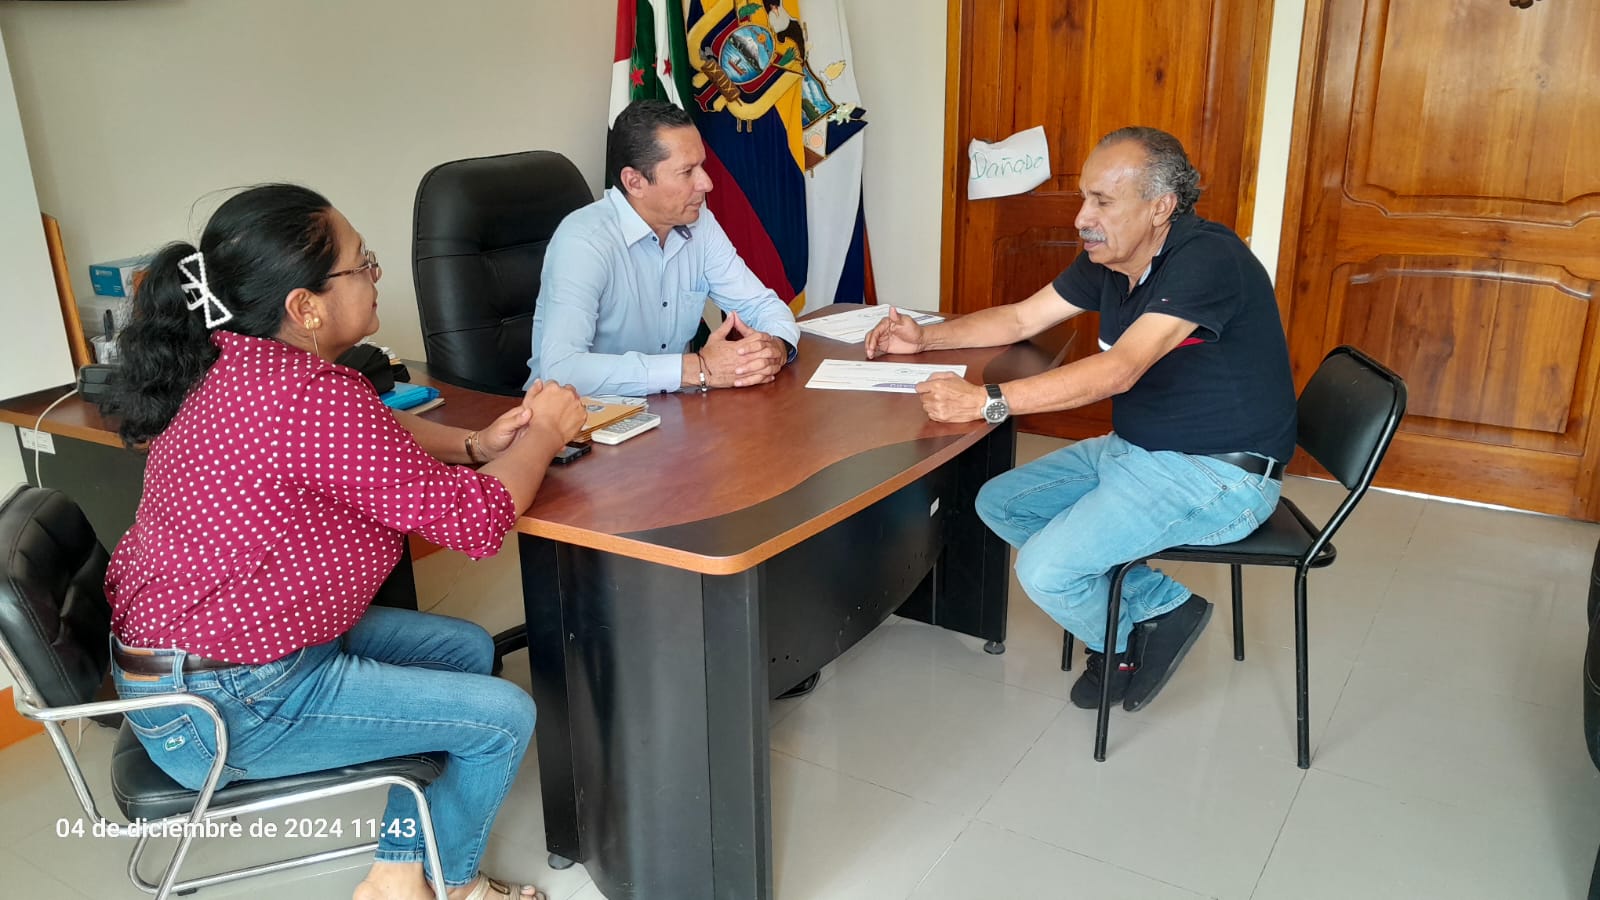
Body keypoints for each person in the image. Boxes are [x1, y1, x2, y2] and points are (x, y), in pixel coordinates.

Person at [103, 184, 587, 900]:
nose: (375, 274)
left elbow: (364, 432)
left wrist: (478, 444)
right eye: (362, 265)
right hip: (219, 703)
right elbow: (477, 521)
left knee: (465, 649)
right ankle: (451, 885)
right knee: (503, 719)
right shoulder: (307, 394)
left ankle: (397, 872)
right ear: (306, 307)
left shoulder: (235, 360)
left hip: (196, 663)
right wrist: (544, 433)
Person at [865, 127, 1296, 713]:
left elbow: (1119, 370)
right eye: (1083, 197)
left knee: (1044, 571)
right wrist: (924, 339)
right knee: (1001, 504)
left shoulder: (1208, 260)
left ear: (1161, 207)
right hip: (1138, 450)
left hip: (1219, 476)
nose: (1081, 218)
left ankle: (1118, 648)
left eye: (1102, 201)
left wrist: (986, 400)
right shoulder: (1113, 257)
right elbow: (1021, 319)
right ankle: (1164, 606)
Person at [525, 98, 801, 397]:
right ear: (634, 182)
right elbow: (562, 369)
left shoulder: (700, 224)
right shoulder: (584, 242)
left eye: (702, 166)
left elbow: (762, 306)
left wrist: (775, 347)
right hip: (581, 416)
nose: (706, 183)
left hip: (668, 411)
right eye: (687, 172)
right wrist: (696, 368)